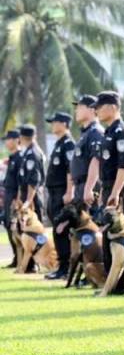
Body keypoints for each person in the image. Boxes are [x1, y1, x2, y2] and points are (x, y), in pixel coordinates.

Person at [93, 91, 124, 295]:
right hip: (109, 188)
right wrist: (104, 190)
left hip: (120, 189)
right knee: (108, 237)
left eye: (99, 107)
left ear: (112, 107)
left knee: (122, 237)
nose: (96, 111)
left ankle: (122, 284)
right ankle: (111, 284)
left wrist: (116, 192)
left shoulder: (121, 131)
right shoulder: (109, 132)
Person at [44, 112, 76, 280]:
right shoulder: (59, 144)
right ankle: (62, 265)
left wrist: (69, 191)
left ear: (64, 124)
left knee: (61, 230)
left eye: (55, 122)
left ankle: (65, 267)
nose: (52, 125)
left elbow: (71, 169)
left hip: (62, 192)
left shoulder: (68, 144)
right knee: (57, 231)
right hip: (54, 192)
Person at [17, 124, 46, 273]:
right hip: (28, 197)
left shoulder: (32, 153)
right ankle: (29, 265)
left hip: (32, 199)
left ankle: (34, 264)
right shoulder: (28, 152)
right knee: (26, 232)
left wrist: (28, 202)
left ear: (21, 138)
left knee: (34, 233)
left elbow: (33, 181)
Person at [70, 95, 103, 206]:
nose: (76, 111)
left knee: (90, 222)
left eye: (79, 107)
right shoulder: (86, 133)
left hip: (89, 186)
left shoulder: (95, 132)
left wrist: (89, 188)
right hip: (81, 186)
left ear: (91, 109)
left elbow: (96, 160)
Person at [2, 130, 23, 269]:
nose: (6, 142)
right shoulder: (12, 157)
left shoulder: (20, 157)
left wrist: (18, 199)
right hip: (8, 195)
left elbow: (21, 181)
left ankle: (22, 260)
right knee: (9, 227)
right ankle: (16, 258)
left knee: (17, 229)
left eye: (8, 139)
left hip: (15, 195)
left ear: (16, 140)